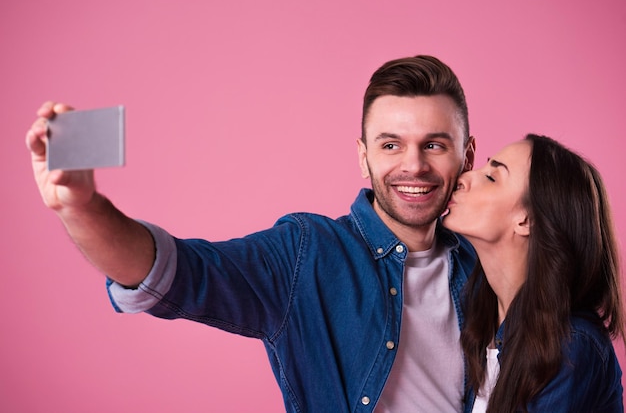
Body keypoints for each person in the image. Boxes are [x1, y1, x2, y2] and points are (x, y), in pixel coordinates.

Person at [26, 55, 477, 412]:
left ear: (467, 155)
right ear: (364, 157)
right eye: (390, 145)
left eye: (434, 145)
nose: (414, 165)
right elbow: (177, 274)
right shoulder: (307, 253)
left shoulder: (488, 264)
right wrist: (83, 208)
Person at [443, 134, 624, 412]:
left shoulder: (570, 346)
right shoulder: (479, 317)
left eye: (492, 178)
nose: (464, 178)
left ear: (526, 220)